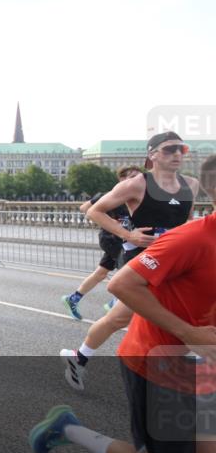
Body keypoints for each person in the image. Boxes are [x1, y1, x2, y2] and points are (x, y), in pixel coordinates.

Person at [31, 153, 216, 453]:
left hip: (204, 368)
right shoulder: (192, 238)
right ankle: (70, 429)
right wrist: (188, 332)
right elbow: (122, 284)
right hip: (160, 364)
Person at [61, 132, 199, 391]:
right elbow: (94, 211)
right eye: (169, 149)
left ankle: (81, 357)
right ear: (152, 154)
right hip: (144, 260)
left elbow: (186, 223)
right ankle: (80, 358)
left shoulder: (191, 184)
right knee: (119, 319)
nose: (177, 154)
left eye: (181, 149)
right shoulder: (137, 184)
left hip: (176, 261)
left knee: (184, 313)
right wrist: (128, 235)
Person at [61, 166, 144, 320]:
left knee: (101, 272)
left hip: (125, 240)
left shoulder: (138, 196)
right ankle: (114, 304)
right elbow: (85, 208)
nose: (137, 180)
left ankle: (73, 299)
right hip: (112, 239)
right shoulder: (110, 195)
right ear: (122, 179)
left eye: (140, 177)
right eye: (132, 177)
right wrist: (108, 220)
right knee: (130, 273)